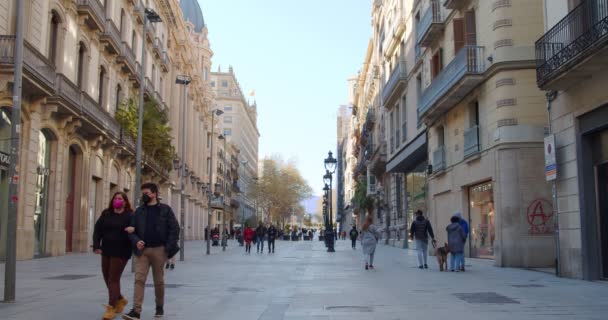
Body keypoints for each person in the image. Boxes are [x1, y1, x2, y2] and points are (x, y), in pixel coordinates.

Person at [123, 183, 180, 320]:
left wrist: (167, 248)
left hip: (159, 250)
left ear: (154, 193)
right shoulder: (139, 211)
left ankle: (159, 308)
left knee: (158, 281)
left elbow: (175, 229)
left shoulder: (165, 210)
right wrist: (136, 240)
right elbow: (131, 229)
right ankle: (136, 311)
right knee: (139, 280)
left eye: (146, 193)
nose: (144, 196)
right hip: (142, 251)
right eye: (143, 193)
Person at [93, 192, 134, 320]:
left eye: (120, 199)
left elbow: (135, 230)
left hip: (121, 251)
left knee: (113, 279)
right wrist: (96, 246)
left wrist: (133, 230)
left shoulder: (130, 215)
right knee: (107, 278)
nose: (117, 200)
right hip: (106, 250)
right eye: (115, 198)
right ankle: (120, 299)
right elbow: (97, 230)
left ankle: (111, 308)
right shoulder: (106, 213)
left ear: (125, 202)